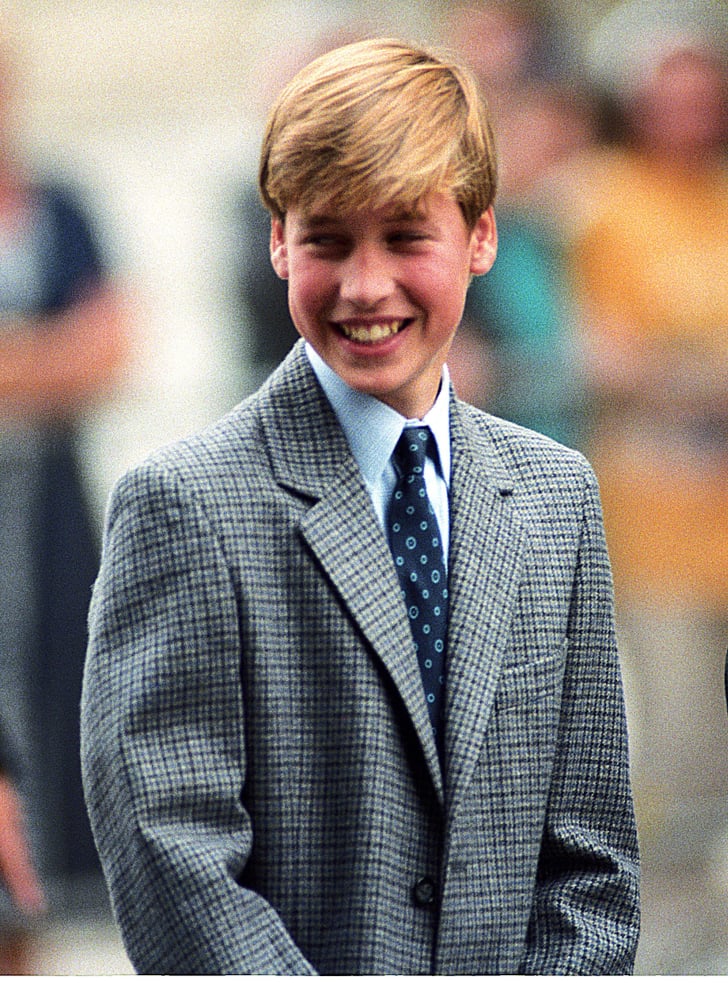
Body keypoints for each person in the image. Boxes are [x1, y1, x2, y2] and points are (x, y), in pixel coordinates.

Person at [81, 38, 640, 974]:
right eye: (328, 241)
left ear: (482, 235)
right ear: (277, 242)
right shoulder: (184, 504)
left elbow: (589, 859)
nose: (366, 284)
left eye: (406, 236)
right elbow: (170, 848)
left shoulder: (555, 497)